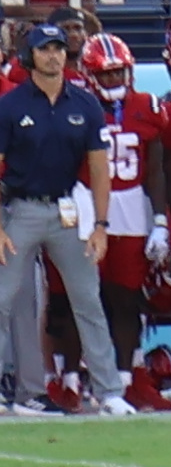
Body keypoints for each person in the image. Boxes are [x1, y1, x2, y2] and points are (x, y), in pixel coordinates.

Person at [0, 21, 132, 415]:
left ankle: (109, 391)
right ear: (30, 57)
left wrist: (102, 225)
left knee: (88, 298)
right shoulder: (11, 105)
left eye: (58, 48)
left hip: (66, 210)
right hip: (19, 208)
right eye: (45, 49)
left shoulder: (85, 103)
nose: (54, 55)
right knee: (4, 299)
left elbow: (98, 169)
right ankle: (22, 389)